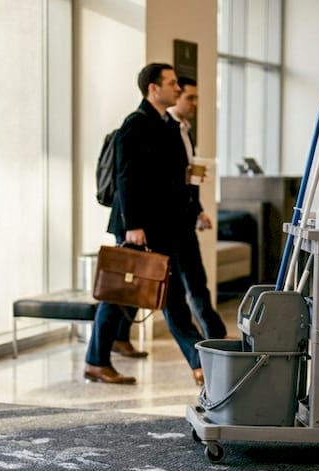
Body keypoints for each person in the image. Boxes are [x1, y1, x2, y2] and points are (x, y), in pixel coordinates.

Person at [84, 63, 206, 386]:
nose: (177, 89)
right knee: (135, 293)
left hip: (160, 226)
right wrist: (133, 225)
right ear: (153, 88)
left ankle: (97, 360)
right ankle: (199, 363)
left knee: (149, 293)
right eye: (171, 83)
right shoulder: (136, 125)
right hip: (140, 228)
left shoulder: (164, 123)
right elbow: (127, 178)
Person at [167, 76, 228, 348]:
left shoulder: (184, 130)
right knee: (184, 285)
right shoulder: (165, 129)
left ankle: (215, 333)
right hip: (171, 223)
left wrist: (199, 210)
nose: (195, 103)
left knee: (195, 280)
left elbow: (188, 180)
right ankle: (213, 336)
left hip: (184, 218)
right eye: (189, 97)